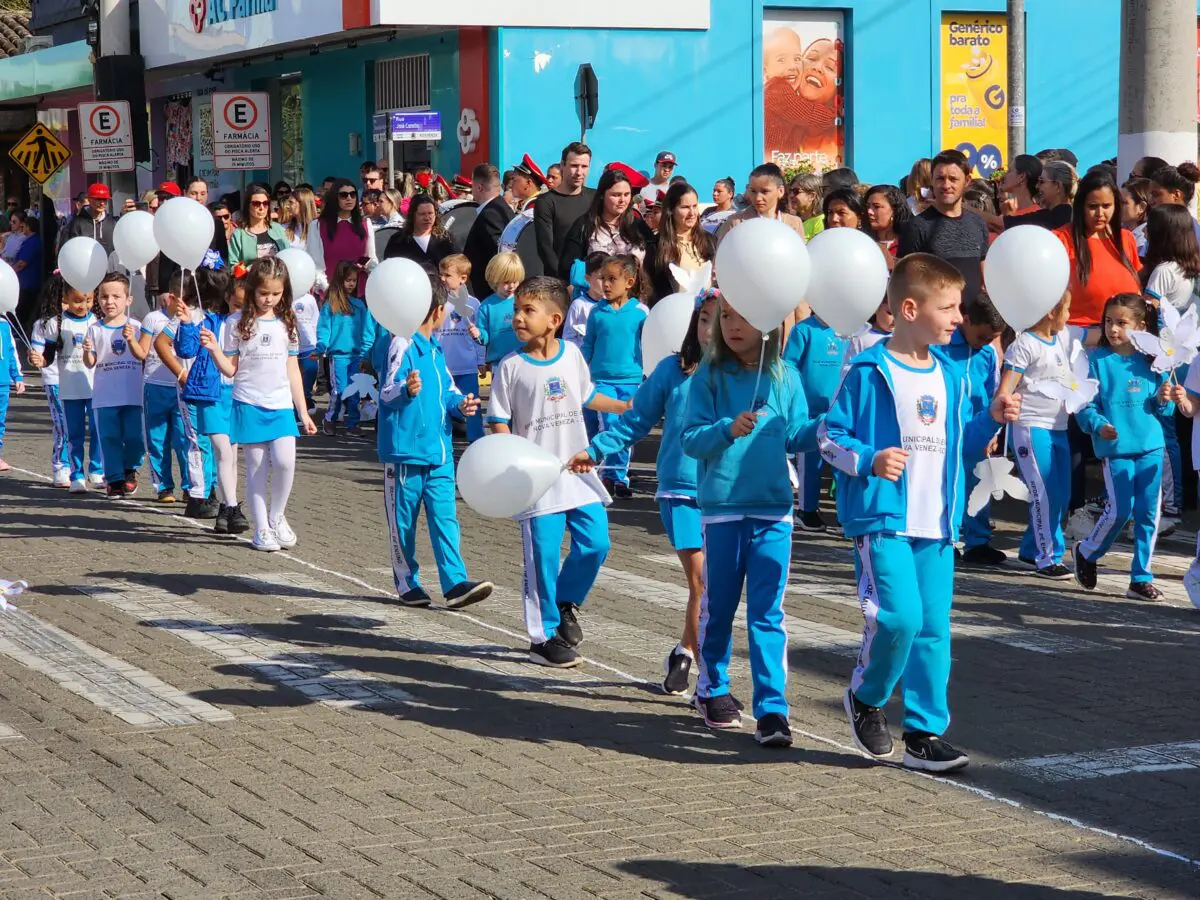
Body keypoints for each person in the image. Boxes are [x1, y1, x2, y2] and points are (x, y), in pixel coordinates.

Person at [821, 253, 1019, 771]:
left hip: (937, 525)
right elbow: (828, 438)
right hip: (884, 522)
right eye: (949, 307)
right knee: (900, 618)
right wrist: (869, 460)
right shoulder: (869, 369)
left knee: (933, 630)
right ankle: (866, 696)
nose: (959, 318)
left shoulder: (951, 375)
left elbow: (963, 446)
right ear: (910, 308)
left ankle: (925, 734)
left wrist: (990, 420)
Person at [680, 296, 819, 746]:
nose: (733, 326)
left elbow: (796, 433)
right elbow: (690, 440)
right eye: (726, 317)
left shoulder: (787, 376)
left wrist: (826, 426)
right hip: (722, 510)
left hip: (773, 511)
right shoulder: (709, 374)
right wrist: (725, 429)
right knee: (719, 605)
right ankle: (712, 687)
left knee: (767, 614)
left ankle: (773, 709)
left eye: (743, 316)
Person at [570, 289, 718, 695]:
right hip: (680, 490)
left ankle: (686, 651)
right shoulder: (674, 369)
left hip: (728, 494)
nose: (710, 328)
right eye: (703, 319)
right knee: (703, 583)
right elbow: (635, 422)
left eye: (719, 320)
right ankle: (711, 682)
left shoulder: (747, 373)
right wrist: (595, 449)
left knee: (715, 587)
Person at [486, 276, 629, 668]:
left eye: (527, 311)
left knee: (596, 543)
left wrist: (623, 408)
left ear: (554, 319)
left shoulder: (571, 355)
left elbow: (587, 396)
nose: (518, 317)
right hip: (536, 483)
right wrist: (512, 460)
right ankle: (543, 636)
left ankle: (566, 601)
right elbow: (498, 419)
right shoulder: (509, 367)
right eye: (516, 310)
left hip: (578, 472)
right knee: (543, 557)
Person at [377, 270, 494, 609]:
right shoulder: (402, 342)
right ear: (436, 310)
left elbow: (448, 390)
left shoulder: (435, 348)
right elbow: (386, 393)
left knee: (446, 518)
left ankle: (455, 583)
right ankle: (406, 581)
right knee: (404, 521)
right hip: (405, 453)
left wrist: (462, 404)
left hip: (439, 452)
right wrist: (405, 389)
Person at [203, 257, 317, 551]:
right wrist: (215, 350)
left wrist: (303, 411)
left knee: (285, 462)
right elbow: (231, 369)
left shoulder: (287, 321)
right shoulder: (235, 323)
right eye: (263, 293)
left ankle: (277, 516)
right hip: (248, 402)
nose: (269, 299)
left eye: (276, 293)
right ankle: (261, 528)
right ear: (252, 290)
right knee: (255, 467)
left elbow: (293, 368)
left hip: (280, 405)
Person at [1074, 293, 1172, 603]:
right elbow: (1083, 403)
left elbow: (1164, 412)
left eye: (1121, 323)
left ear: (1141, 326)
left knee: (1148, 514)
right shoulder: (1096, 361)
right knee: (1119, 510)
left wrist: (1165, 399)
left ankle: (1140, 577)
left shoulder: (1154, 362)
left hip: (1151, 447)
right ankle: (1087, 551)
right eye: (1108, 322)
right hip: (1116, 449)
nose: (1112, 329)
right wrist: (1098, 424)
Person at [997, 291, 1077, 578]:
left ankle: (1032, 548)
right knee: (1042, 492)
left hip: (1058, 428)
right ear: (1049, 313)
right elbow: (1006, 389)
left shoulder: (1062, 338)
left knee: (1061, 494)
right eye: (1066, 310)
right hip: (1031, 427)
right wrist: (998, 425)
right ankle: (1048, 558)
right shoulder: (1024, 345)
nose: (1069, 316)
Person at [156, 261, 228, 522]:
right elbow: (162, 343)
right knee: (197, 440)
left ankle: (214, 490)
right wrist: (181, 372)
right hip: (192, 389)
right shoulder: (187, 315)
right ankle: (198, 494)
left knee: (217, 442)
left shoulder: (222, 315)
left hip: (219, 389)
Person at [943, 293, 1007, 566]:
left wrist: (993, 433)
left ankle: (978, 541)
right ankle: (950, 537)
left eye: (991, 338)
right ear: (966, 320)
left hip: (977, 427)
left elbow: (992, 392)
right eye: (981, 336)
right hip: (946, 428)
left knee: (981, 480)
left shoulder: (988, 354)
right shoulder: (941, 346)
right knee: (948, 482)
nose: (984, 343)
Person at [582, 255, 649, 497]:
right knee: (609, 423)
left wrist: (649, 374)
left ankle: (619, 477)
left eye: (612, 279)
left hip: (632, 380)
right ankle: (608, 474)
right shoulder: (596, 313)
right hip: (602, 380)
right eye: (603, 279)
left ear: (629, 282)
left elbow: (649, 344)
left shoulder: (641, 312)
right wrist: (578, 368)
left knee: (625, 426)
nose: (606, 285)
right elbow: (588, 344)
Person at [28, 282, 104, 492]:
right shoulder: (56, 324)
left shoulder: (98, 321)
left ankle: (97, 470)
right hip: (70, 389)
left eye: (88, 300)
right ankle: (76, 474)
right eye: (78, 300)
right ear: (66, 298)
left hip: (95, 387)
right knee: (74, 434)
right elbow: (49, 357)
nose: (83, 306)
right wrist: (39, 360)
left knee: (98, 430)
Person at [81, 273, 147, 497]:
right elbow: (90, 362)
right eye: (104, 296)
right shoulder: (94, 328)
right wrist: (86, 350)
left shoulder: (137, 327)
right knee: (108, 437)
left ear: (128, 300)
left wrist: (132, 340)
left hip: (133, 395)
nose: (110, 301)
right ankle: (115, 478)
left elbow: (143, 355)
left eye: (116, 296)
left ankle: (130, 469)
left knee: (135, 437)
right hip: (105, 395)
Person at [1053, 169, 1141, 333]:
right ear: (1080, 206)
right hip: (1076, 337)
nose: (1100, 213)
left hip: (1124, 339)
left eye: (1107, 206)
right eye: (1093, 206)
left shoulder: (1126, 238)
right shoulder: (1060, 239)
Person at [898, 150, 990, 305]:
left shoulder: (978, 224)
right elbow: (904, 279)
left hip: (972, 323)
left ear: (967, 181)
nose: (946, 185)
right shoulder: (916, 226)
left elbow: (984, 277)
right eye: (940, 178)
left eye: (953, 179)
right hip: (935, 323)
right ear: (932, 181)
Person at [784, 309, 847, 532]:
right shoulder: (803, 330)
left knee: (842, 462)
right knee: (810, 462)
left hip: (839, 410)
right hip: (809, 411)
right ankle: (807, 511)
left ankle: (845, 513)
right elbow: (788, 365)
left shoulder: (848, 329)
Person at [559, 167, 653, 282]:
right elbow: (568, 267)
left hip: (635, 296)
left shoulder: (639, 226)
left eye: (627, 194)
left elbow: (653, 264)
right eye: (616, 195)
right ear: (602, 195)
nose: (622, 200)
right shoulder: (585, 225)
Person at [139, 289, 189, 503]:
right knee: (157, 438)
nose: (183, 303)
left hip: (182, 387)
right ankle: (163, 486)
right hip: (155, 385)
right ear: (170, 297)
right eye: (180, 298)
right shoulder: (153, 318)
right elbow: (143, 349)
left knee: (184, 439)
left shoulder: (194, 318)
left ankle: (191, 486)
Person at [316, 259, 369, 437]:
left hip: (356, 355)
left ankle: (353, 423)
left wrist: (364, 354)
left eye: (354, 280)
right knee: (339, 390)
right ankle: (330, 419)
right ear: (339, 280)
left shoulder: (360, 306)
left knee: (355, 392)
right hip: (337, 356)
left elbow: (365, 331)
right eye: (348, 280)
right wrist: (321, 347)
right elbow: (324, 329)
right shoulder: (330, 304)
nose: (351, 284)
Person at [28, 277, 72, 485]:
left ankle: (80, 465)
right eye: (64, 300)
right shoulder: (43, 325)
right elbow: (38, 355)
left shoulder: (83, 320)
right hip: (55, 379)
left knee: (78, 425)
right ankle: (60, 465)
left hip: (78, 380)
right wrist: (35, 357)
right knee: (63, 423)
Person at [436, 254, 485, 443]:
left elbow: (478, 335)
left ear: (463, 278)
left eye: (447, 275)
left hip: (466, 366)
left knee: (472, 405)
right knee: (442, 405)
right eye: (441, 274)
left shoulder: (473, 304)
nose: (442, 279)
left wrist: (481, 360)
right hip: (443, 365)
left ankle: (477, 442)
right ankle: (442, 441)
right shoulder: (438, 301)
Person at [534, 142, 596, 277]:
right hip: (559, 282)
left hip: (593, 282)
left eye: (584, 166)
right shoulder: (546, 202)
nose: (579, 172)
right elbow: (545, 249)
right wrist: (564, 283)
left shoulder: (595, 198)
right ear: (562, 165)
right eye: (574, 166)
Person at [646, 182, 715, 302]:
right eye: (685, 207)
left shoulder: (711, 241)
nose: (692, 213)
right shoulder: (656, 247)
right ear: (671, 210)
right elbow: (651, 292)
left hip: (708, 316)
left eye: (694, 206)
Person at [307, 179, 377, 291]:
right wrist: (329, 291)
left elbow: (371, 260)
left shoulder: (366, 224)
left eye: (353, 194)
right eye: (344, 195)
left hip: (360, 292)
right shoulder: (317, 226)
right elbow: (316, 266)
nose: (349, 198)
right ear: (335, 198)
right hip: (330, 292)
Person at [462, 164, 515, 298]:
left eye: (472, 185)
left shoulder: (490, 214)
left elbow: (498, 253)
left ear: (479, 187)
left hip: (489, 291)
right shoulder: (502, 208)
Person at [470, 251, 525, 369]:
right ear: (495, 279)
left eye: (515, 281)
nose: (511, 286)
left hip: (525, 359)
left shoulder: (524, 300)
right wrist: (478, 334)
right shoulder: (486, 306)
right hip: (498, 363)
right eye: (506, 282)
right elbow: (484, 337)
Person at [384, 194, 455, 268]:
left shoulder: (446, 239)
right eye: (422, 214)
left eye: (430, 213)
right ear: (413, 215)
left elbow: (458, 267)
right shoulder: (398, 241)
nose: (427, 218)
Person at [228, 183, 290, 264]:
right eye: (256, 204)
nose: (262, 207)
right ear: (248, 206)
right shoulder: (239, 234)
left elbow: (288, 255)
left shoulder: (278, 229)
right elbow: (233, 266)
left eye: (265, 203)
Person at [0, 307, 23, 472]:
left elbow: (11, 352)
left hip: (2, 381)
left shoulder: (4, 325)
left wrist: (18, 377)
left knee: (0, 420)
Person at [863, 185, 911, 261]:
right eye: (868, 206)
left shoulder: (909, 244)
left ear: (894, 210)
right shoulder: (862, 242)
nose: (869, 211)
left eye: (876, 207)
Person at [67, 183, 117, 254]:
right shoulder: (77, 223)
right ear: (89, 200)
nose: (102, 203)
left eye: (105, 199)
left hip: (107, 264)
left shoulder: (112, 223)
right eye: (98, 199)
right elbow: (70, 249)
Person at [788, 172, 825, 239]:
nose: (791, 195)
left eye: (796, 191)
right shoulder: (790, 220)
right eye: (790, 191)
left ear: (811, 196)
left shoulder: (821, 222)